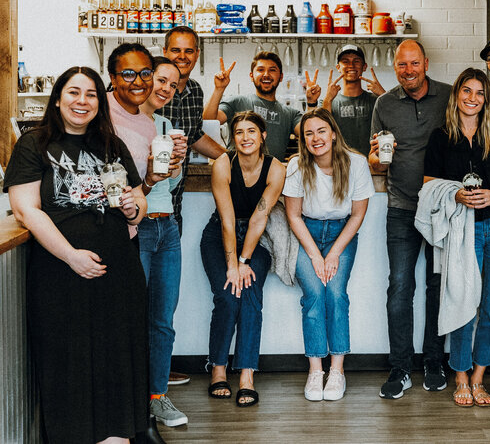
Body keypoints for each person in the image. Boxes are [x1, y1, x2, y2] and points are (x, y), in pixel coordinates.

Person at [4, 66, 148, 443]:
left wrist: (135, 207)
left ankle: (117, 437)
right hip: (60, 273)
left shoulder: (111, 145)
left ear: (100, 103)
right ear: (57, 98)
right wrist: (70, 255)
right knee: (68, 361)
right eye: (73, 92)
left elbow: (137, 201)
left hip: (119, 270)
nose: (82, 101)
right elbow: (26, 210)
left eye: (91, 95)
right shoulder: (34, 144)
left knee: (118, 357)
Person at [423, 68, 490, 407]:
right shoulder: (441, 137)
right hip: (463, 229)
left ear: (487, 99)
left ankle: (480, 377)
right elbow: (428, 185)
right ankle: (461, 376)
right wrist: (454, 195)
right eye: (466, 91)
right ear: (456, 95)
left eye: (479, 93)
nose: (472, 98)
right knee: (463, 303)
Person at [106, 45, 190, 427]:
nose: (166, 88)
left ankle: (157, 396)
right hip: (133, 229)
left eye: (174, 84)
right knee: (130, 317)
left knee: (162, 320)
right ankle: (129, 401)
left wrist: (177, 162)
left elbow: (167, 186)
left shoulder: (166, 126)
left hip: (165, 227)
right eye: (161, 79)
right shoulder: (113, 117)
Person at [369, 39, 451, 399]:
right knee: (400, 287)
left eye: (414, 63)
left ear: (426, 63)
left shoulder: (450, 96)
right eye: (402, 65)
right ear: (395, 68)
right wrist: (379, 160)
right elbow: (374, 161)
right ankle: (400, 367)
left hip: (442, 208)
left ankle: (434, 361)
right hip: (401, 206)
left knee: (438, 287)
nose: (408, 71)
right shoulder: (384, 103)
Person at [283, 108, 375, 401]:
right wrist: (315, 255)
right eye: (308, 133)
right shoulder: (297, 165)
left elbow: (358, 215)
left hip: (342, 233)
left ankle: (337, 371)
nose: (316, 138)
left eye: (321, 131)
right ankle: (315, 371)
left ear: (333, 133)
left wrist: (333, 253)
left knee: (336, 294)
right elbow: (293, 216)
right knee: (314, 296)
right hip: (306, 233)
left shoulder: (357, 163)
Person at [200, 111, 285, 407]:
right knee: (226, 295)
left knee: (249, 294)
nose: (246, 137)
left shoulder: (276, 169)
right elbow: (226, 221)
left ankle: (247, 375)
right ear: (232, 138)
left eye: (252, 131)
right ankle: (218, 369)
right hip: (218, 236)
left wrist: (244, 261)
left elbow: (260, 218)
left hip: (256, 239)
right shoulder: (223, 164)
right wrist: (232, 264)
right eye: (239, 132)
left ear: (263, 136)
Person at [158, 26, 226, 232]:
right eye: (176, 50)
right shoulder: (150, 90)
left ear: (197, 54)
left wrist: (230, 158)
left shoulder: (195, 90)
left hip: (174, 205)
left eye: (189, 51)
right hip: (142, 206)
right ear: (165, 52)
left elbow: (194, 135)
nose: (182, 56)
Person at [203, 51, 302, 160]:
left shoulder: (291, 114)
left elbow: (311, 132)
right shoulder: (237, 102)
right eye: (260, 70)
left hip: (273, 175)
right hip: (235, 173)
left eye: (272, 70)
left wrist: (312, 104)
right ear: (251, 76)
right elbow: (207, 122)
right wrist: (219, 89)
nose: (266, 74)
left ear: (281, 76)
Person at [304, 44, 385, 156]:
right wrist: (327, 99)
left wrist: (384, 95)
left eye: (356, 61)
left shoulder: (377, 100)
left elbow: (397, 124)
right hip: (337, 167)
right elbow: (317, 132)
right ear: (338, 67)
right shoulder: (328, 102)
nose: (351, 65)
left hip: (370, 166)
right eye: (345, 61)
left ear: (364, 66)